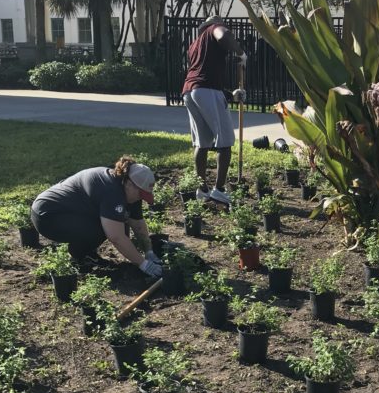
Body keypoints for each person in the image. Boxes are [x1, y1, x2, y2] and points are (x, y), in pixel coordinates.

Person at [30, 156, 162, 277]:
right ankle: (79, 257)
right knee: (102, 229)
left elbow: (138, 224)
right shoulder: (111, 191)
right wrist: (143, 264)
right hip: (49, 216)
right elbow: (116, 237)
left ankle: (86, 253)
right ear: (129, 183)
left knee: (115, 222)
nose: (141, 198)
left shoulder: (129, 188)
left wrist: (149, 252)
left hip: (71, 211)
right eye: (140, 194)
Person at [181, 16, 247, 205]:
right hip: (205, 91)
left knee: (201, 143)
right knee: (225, 140)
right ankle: (219, 190)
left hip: (190, 91)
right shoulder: (215, 30)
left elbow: (204, 75)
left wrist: (229, 95)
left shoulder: (195, 45)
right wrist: (241, 53)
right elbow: (223, 34)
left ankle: (202, 190)